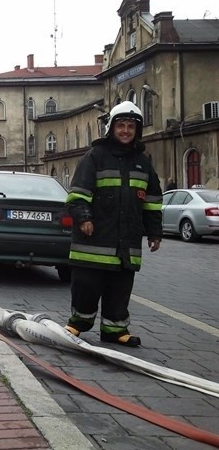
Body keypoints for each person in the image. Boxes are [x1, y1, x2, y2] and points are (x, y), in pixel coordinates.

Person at [64, 101, 163, 347]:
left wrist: (155, 233)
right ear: (111, 128)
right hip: (93, 242)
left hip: (126, 244)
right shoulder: (95, 157)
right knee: (87, 286)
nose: (126, 131)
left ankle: (114, 330)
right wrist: (84, 217)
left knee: (120, 290)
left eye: (131, 126)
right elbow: (77, 195)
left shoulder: (143, 163)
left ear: (137, 131)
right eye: (121, 126)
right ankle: (77, 325)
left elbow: (152, 203)